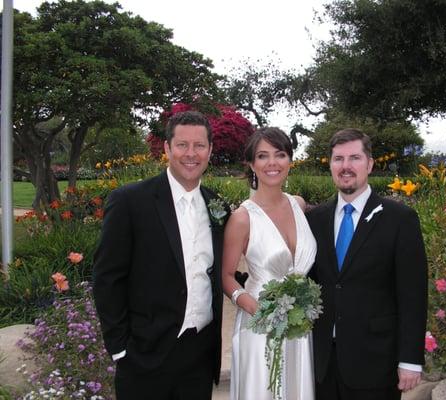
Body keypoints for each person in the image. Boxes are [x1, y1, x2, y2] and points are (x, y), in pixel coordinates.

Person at [93, 111, 229, 400]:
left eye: (199, 145)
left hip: (200, 354)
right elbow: (107, 277)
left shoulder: (217, 204)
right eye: (182, 145)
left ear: (210, 150)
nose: (191, 154)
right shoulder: (130, 201)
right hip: (144, 355)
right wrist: (120, 348)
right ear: (167, 148)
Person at [307, 128, 428, 400]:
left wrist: (409, 360)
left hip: (376, 361)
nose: (346, 166)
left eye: (355, 158)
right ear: (330, 165)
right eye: (338, 159)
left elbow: (413, 295)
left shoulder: (400, 219)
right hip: (323, 362)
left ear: (370, 164)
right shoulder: (315, 219)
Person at [222, 127, 317, 400]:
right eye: (263, 156)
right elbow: (226, 276)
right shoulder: (242, 218)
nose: (272, 163)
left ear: (290, 160)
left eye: (280, 154)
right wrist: (256, 307)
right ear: (252, 164)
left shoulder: (299, 205)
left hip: (299, 326)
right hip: (260, 324)